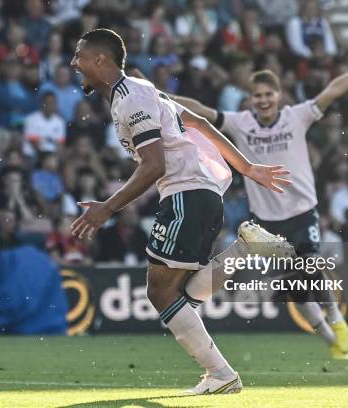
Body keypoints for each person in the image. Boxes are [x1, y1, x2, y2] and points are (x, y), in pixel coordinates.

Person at [70, 28, 292, 395]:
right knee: (180, 294)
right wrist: (247, 168)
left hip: (184, 196)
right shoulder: (143, 91)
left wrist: (108, 208)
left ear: (99, 60)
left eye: (79, 55)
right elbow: (200, 124)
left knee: (160, 292)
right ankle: (244, 253)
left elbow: (154, 165)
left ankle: (221, 374)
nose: (73, 63)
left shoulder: (131, 98)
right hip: (201, 195)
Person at [171, 40, 348, 360]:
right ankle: (331, 338)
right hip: (265, 219)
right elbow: (200, 112)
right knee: (297, 286)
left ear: (279, 96)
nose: (263, 100)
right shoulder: (240, 123)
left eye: (268, 94)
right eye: (257, 95)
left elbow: (334, 89)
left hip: (302, 211)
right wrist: (156, 95)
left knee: (311, 263)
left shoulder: (297, 116)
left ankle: (335, 320)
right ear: (251, 99)